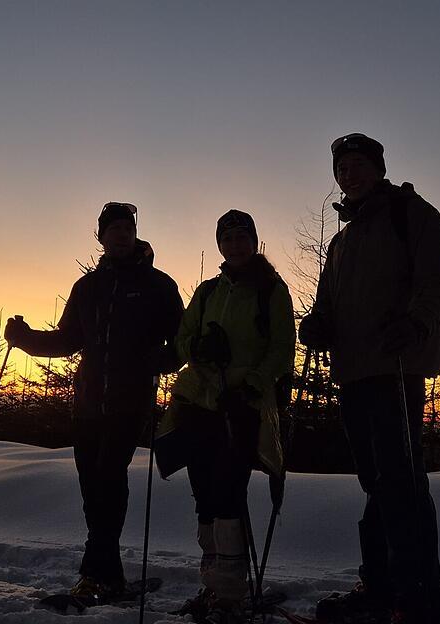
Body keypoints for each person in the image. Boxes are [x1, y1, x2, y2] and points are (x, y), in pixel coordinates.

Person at [298, 134, 440, 624]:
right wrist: (317, 322)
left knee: (402, 484)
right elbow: (329, 302)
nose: (349, 174)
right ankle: (381, 587)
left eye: (358, 165)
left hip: (396, 368)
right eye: (342, 168)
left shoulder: (411, 214)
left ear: (378, 168)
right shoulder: (341, 242)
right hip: (354, 372)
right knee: (376, 484)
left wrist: (415, 323)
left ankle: (419, 600)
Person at [4, 202, 183, 602]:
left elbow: (181, 341)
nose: (121, 234)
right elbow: (68, 341)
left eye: (127, 228)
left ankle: (92, 575)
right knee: (92, 487)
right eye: (114, 229)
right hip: (87, 403)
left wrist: (164, 360)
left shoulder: (159, 285)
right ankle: (110, 576)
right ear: (100, 237)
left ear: (135, 235)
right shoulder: (86, 288)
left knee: (108, 480)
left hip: (130, 401)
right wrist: (25, 338)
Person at [154, 209, 294, 624]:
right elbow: (182, 338)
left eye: (241, 237)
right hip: (200, 402)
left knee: (228, 492)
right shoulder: (208, 290)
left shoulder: (270, 289)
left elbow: (282, 347)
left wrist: (254, 382)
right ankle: (213, 586)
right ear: (220, 244)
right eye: (227, 238)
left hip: (242, 405)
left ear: (254, 242)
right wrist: (195, 348)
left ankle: (229, 595)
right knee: (205, 496)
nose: (234, 245)